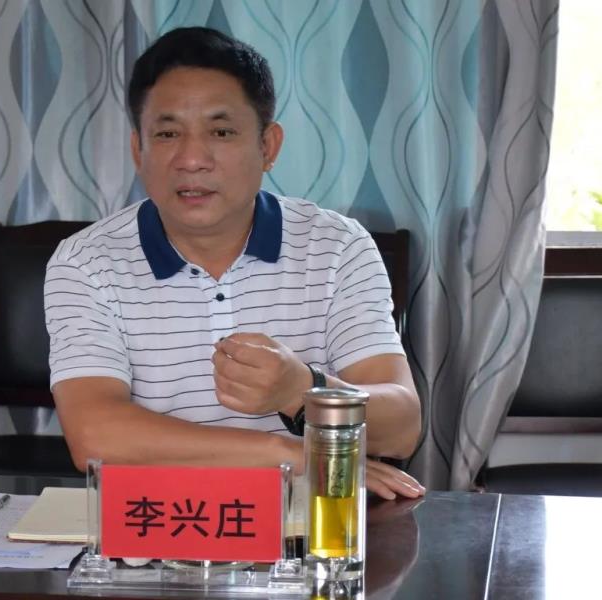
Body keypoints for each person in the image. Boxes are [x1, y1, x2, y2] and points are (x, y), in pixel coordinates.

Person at [44, 27, 423, 500]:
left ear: (268, 147)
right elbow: (94, 435)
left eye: (221, 132)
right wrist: (288, 453)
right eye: (167, 133)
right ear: (139, 150)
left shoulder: (337, 247)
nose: (191, 159)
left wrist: (299, 390)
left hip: (310, 521)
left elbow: (402, 426)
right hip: (156, 520)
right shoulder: (85, 262)